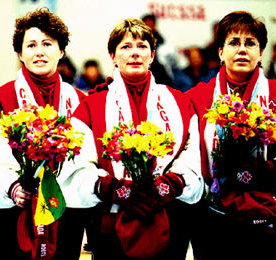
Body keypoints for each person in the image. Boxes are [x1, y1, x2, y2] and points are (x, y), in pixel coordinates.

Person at [58, 18, 204, 260]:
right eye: (125, 47)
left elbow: (192, 153)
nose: (134, 53)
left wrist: (168, 184)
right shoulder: (91, 105)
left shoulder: (179, 101)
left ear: (153, 55)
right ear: (113, 56)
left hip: (169, 218)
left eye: (142, 46)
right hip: (111, 223)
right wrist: (116, 189)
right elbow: (78, 163)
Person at [0, 8, 85, 260]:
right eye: (31, 44)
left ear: (62, 51)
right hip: (15, 211)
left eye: (47, 44)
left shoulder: (79, 101)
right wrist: (11, 187)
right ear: (20, 53)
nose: (39, 51)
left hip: (64, 212)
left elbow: (86, 159)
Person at [186, 11, 276, 260]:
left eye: (250, 43)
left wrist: (273, 170)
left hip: (273, 216)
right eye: (234, 42)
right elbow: (187, 154)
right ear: (220, 52)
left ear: (261, 52)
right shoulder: (195, 99)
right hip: (214, 218)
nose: (242, 50)